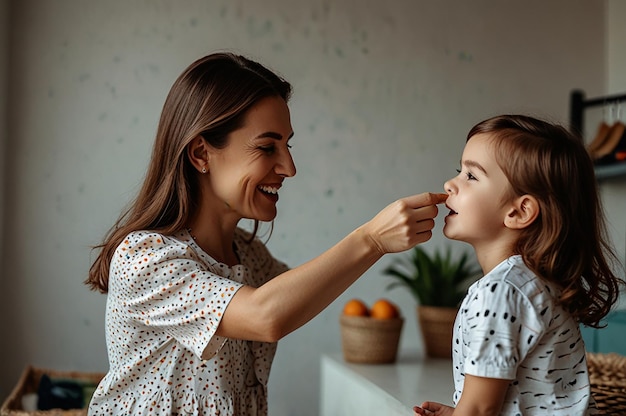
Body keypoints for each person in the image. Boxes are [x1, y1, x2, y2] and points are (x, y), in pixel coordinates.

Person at [84, 52, 447, 415]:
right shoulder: (144, 256)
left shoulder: (251, 256)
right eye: (266, 147)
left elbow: (296, 297)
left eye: (287, 145)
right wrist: (371, 240)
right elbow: (266, 316)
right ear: (201, 153)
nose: (289, 167)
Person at [413, 114, 625, 416]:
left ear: (519, 211)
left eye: (471, 176)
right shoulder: (532, 283)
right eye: (460, 171)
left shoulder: (501, 291)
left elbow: (480, 408)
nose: (450, 184)